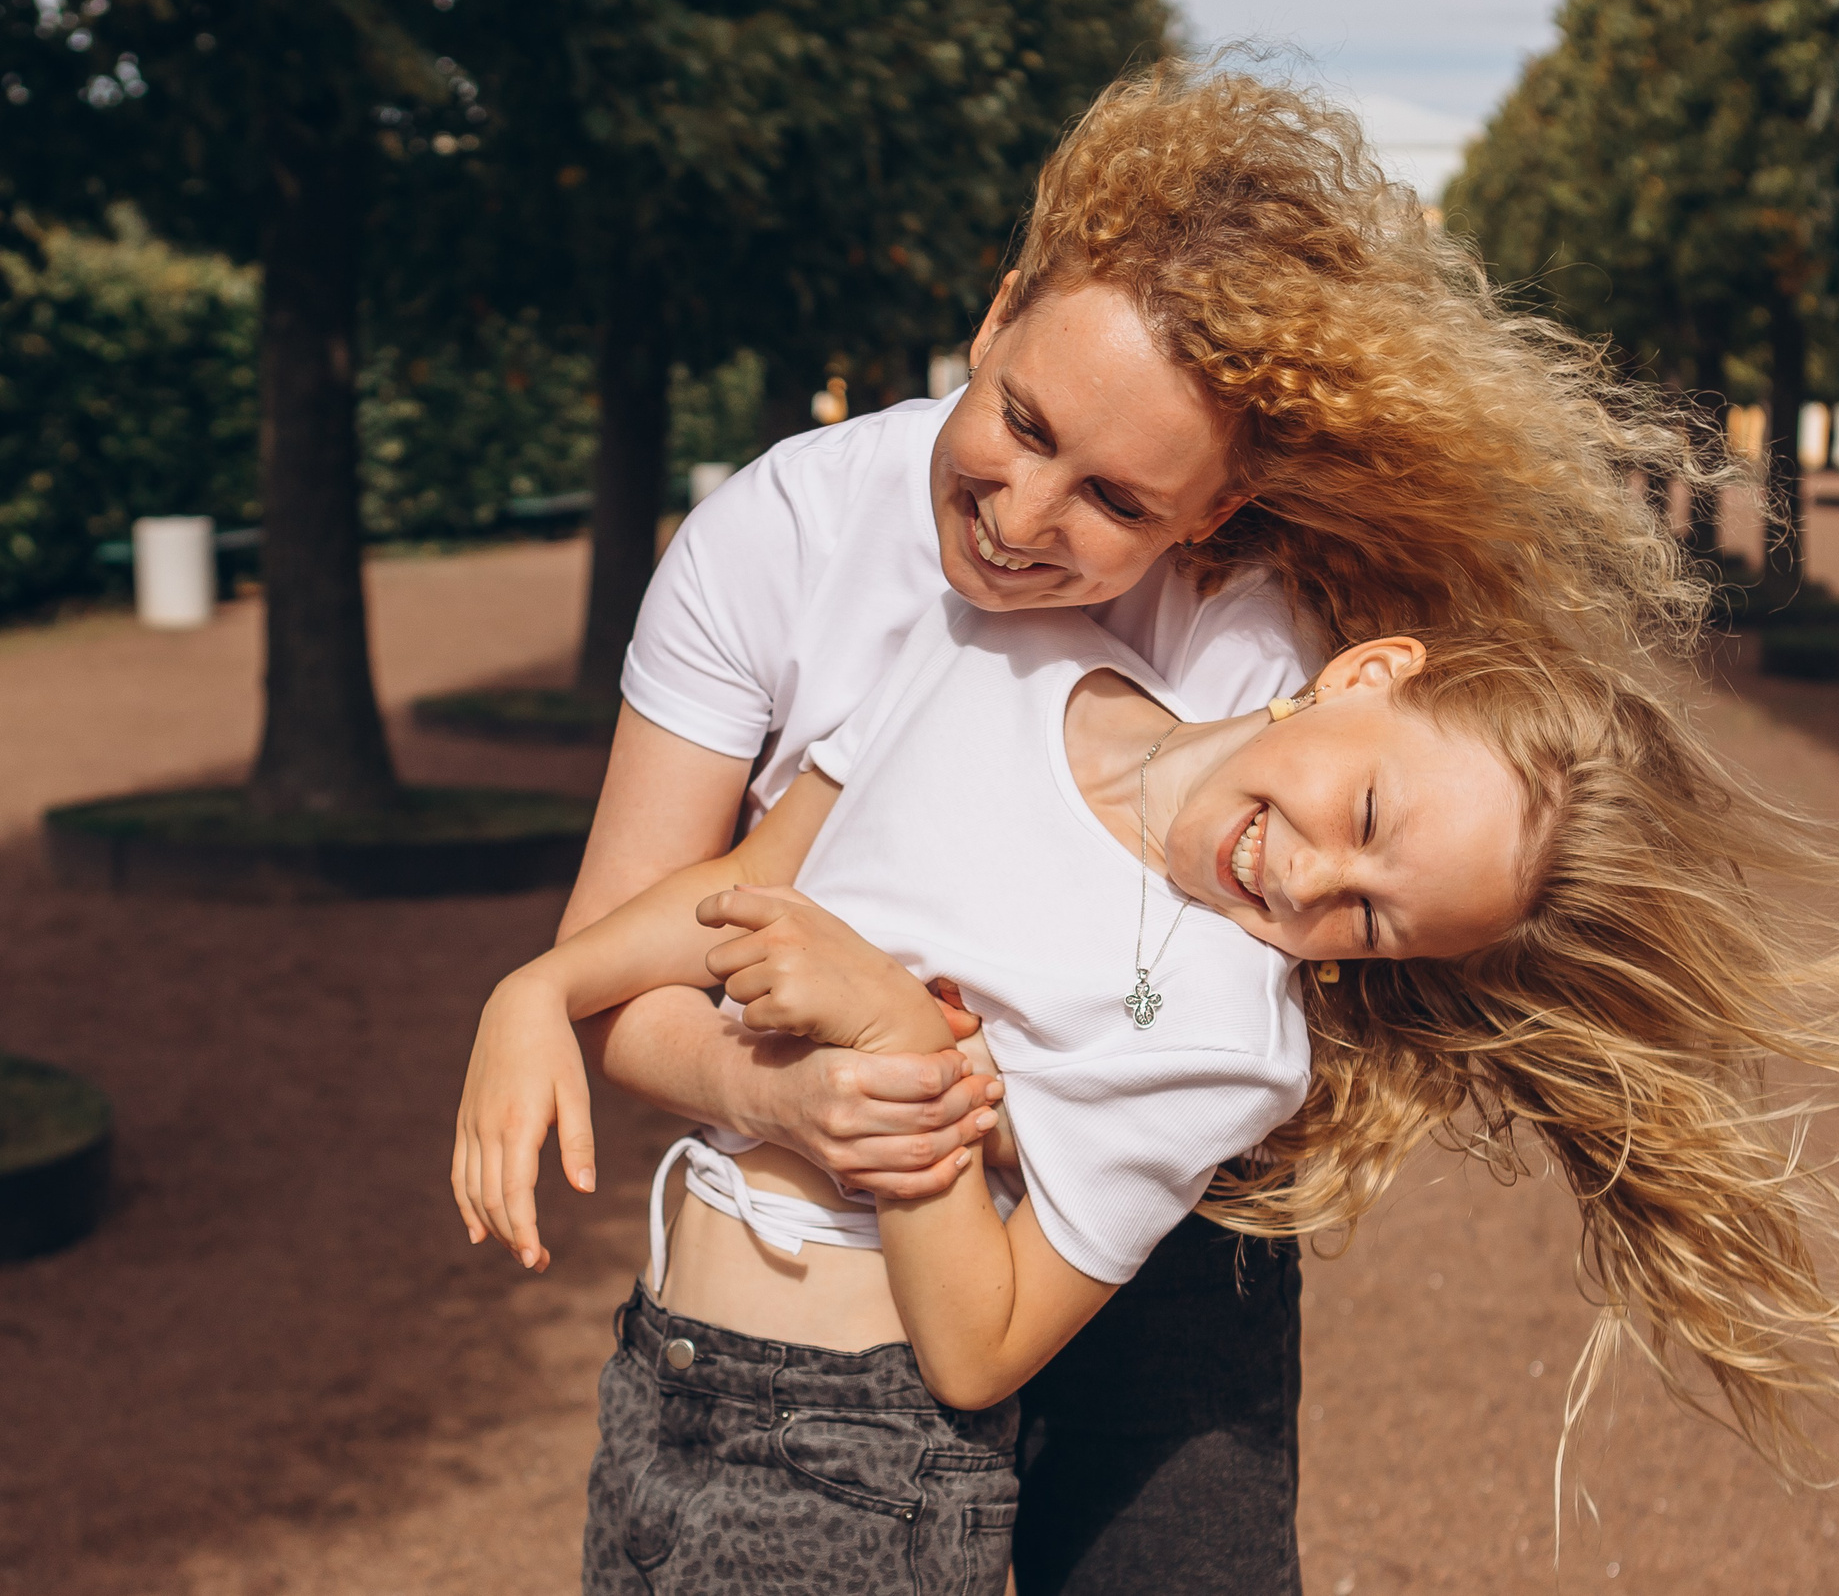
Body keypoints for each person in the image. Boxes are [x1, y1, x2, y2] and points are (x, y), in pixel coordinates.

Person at [457, 59, 1712, 1595]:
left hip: (1081, 1284)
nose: (1025, 518)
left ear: (1211, 515)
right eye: (1023, 419)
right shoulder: (869, 588)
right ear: (993, 320)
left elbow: (1025, 1224)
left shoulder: (1255, 649)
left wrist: (890, 1044)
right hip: (696, 1355)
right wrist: (660, 1037)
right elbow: (709, 908)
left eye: (1118, 500)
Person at [468, 604, 1560, 1593]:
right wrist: (539, 989)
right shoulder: (992, 650)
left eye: (1368, 923)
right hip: (658, 1374)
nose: (1313, 881)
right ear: (1365, 674)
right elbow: (750, 883)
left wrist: (896, 1031)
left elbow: (979, 1348)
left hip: (855, 1457)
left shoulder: (1231, 1040)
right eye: (1365, 815)